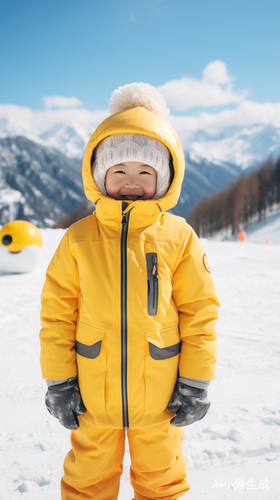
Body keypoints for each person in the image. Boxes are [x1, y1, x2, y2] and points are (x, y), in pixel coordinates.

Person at [40, 82, 220, 500]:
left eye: (145, 171)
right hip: (92, 395)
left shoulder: (179, 238)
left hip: (160, 397)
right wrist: (59, 380)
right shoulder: (77, 238)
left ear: (164, 177)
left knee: (162, 481)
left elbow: (200, 312)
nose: (132, 182)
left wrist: (195, 381)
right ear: (100, 175)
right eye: (119, 171)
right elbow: (56, 313)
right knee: (87, 482)